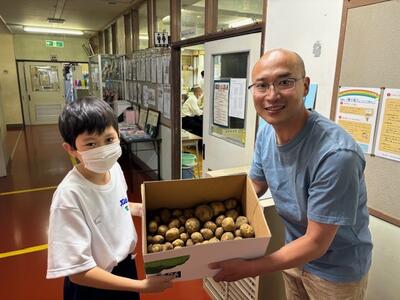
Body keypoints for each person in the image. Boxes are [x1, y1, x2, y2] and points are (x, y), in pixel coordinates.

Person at [209, 49, 373, 299]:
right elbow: (256, 184)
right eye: (262, 85)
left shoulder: (336, 155)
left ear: (305, 86)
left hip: (336, 270)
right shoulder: (266, 133)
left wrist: (250, 267)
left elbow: (316, 243)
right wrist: (214, 211)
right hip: (294, 254)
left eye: (284, 82)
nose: (272, 95)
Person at [46, 97, 173, 300]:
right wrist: (142, 285)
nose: (102, 149)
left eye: (109, 140)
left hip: (126, 270)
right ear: (70, 149)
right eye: (90, 144)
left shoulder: (114, 169)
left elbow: (115, 204)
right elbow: (79, 273)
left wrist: (137, 208)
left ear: (118, 134)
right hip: (94, 285)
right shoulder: (69, 197)